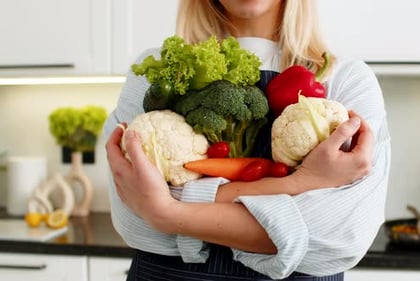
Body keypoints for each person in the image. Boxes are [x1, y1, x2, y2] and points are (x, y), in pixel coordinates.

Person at [104, 0, 391, 280]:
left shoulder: (347, 80)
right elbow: (136, 225)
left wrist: (167, 212)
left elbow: (338, 240)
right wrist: (300, 185)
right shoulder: (158, 73)